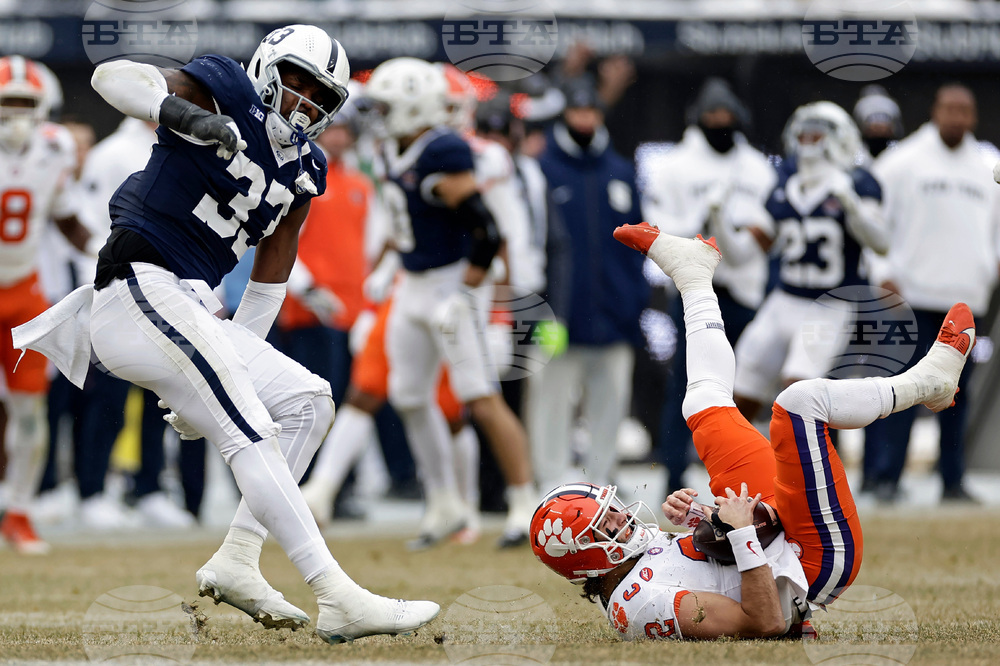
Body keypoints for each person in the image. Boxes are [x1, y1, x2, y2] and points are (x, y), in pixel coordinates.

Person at [14, 26, 438, 642]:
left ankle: (239, 557)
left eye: (321, 94)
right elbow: (112, 77)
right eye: (296, 81)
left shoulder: (307, 168)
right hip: (137, 284)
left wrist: (235, 364)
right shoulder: (227, 90)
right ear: (267, 69)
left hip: (185, 305)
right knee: (251, 430)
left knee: (308, 402)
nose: (305, 101)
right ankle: (337, 595)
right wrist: (184, 114)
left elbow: (268, 282)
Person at [531, 221, 975, 640]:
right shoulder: (639, 606)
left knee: (702, 405)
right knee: (798, 404)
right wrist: (742, 531)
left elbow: (711, 567)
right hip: (814, 562)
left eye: (609, 509)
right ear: (583, 556)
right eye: (604, 524)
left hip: (779, 537)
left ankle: (694, 277)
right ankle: (926, 383)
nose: (620, 516)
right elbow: (764, 621)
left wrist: (702, 517)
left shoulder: (630, 569)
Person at [358, 57, 535, 548]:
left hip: (453, 283)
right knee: (409, 395)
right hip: (412, 283)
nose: (378, 116)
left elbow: (487, 232)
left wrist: (468, 293)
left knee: (479, 396)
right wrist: (386, 271)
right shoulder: (393, 147)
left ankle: (524, 501)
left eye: (386, 106)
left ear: (414, 105)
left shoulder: (443, 149)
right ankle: (443, 504)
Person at [865, 84, 999, 504]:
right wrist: (882, 272)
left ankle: (952, 481)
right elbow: (871, 221)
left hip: (966, 298)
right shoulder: (901, 161)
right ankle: (886, 477)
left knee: (957, 393)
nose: (957, 117)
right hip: (910, 294)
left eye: (964, 110)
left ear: (973, 117)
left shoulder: (988, 165)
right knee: (903, 388)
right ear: (935, 110)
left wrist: (992, 265)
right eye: (949, 108)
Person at [642, 77, 775, 494]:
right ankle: (674, 477)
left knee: (745, 387)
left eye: (727, 115)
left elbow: (767, 234)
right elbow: (660, 227)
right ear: (698, 118)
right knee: (687, 387)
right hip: (693, 290)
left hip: (745, 289)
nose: (720, 122)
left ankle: (744, 478)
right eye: (712, 115)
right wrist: (702, 222)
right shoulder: (675, 166)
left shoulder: (756, 166)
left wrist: (730, 233)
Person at [733, 101, 889, 422]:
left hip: (829, 304)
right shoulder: (784, 183)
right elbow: (744, 252)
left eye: (816, 134)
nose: (807, 142)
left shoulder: (858, 183)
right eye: (803, 134)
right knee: (739, 391)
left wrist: (851, 204)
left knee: (799, 393)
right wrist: (718, 224)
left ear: (838, 138)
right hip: (783, 299)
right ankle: (738, 454)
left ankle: (803, 457)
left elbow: (881, 244)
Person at [527, 79, 648, 492]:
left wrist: (634, 301)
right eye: (577, 111)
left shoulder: (620, 171)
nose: (584, 119)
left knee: (610, 404)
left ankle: (602, 481)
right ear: (566, 115)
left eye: (591, 111)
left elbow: (638, 243)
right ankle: (551, 483)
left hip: (614, 315)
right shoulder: (543, 169)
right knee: (550, 402)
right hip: (558, 316)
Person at [0, 55, 96, 554]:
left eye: (26, 102)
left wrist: (103, 249)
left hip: (23, 293)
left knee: (30, 411)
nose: (17, 113)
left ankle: (19, 511)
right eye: (8, 101)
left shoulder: (55, 149)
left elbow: (66, 217)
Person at [853, 84, 904, 162]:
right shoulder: (891, 103)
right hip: (877, 143)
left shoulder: (860, 104)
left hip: (879, 142)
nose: (878, 128)